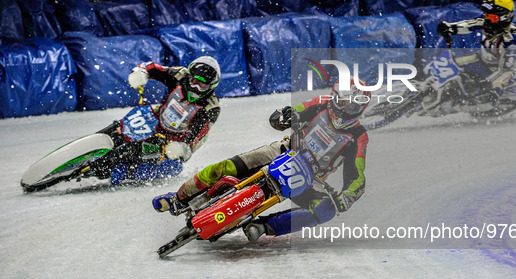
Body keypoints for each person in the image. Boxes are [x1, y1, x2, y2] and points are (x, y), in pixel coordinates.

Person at [152, 77, 370, 242]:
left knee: (326, 209)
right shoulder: (320, 103)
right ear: (336, 96)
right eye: (345, 101)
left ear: (361, 108)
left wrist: (347, 196)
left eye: (353, 105)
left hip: (310, 177)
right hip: (284, 151)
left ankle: (264, 227)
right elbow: (290, 112)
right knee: (226, 167)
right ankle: (178, 198)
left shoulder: (359, 136)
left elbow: (357, 176)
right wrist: (284, 116)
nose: (346, 108)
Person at [89, 56, 222, 185]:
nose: (195, 88)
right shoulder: (179, 75)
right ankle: (94, 141)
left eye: (201, 85)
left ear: (211, 86)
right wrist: (141, 72)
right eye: (194, 81)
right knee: (122, 126)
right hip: (156, 119)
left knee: (173, 167)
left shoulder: (211, 107)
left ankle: (126, 171)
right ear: (189, 75)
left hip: (174, 141)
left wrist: (183, 148)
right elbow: (152, 67)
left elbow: (198, 136)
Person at [436, 0, 516, 107]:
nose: (487, 19)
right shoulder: (487, 21)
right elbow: (469, 24)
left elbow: (506, 71)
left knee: (484, 99)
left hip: (494, 73)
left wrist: (488, 83)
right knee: (450, 67)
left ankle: (487, 112)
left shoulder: (511, 42)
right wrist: (451, 28)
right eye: (486, 15)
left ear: (504, 18)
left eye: (491, 17)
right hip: (480, 60)